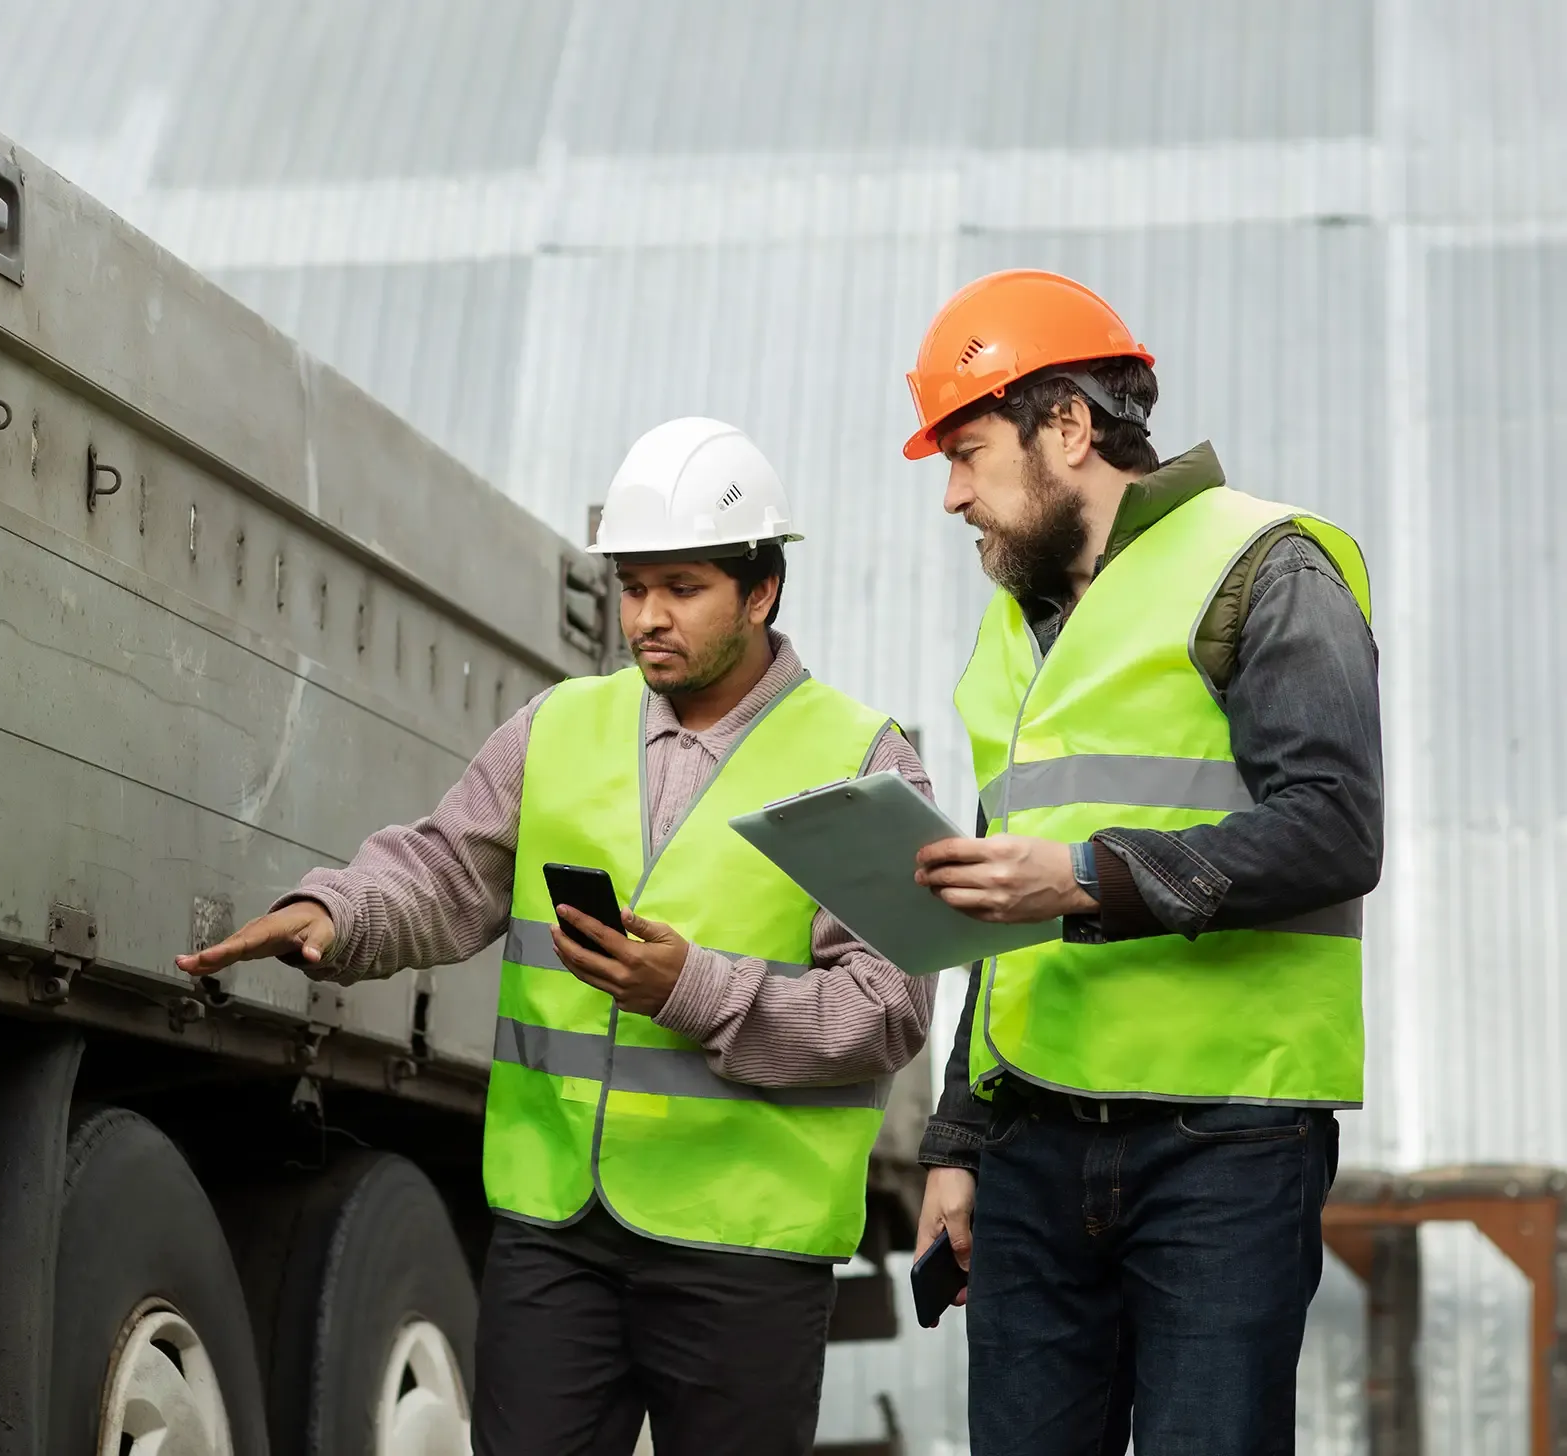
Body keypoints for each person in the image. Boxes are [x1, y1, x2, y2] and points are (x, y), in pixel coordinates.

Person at [179, 417, 937, 1456]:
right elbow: (444, 872)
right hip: (555, 1234)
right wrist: (338, 913)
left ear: (760, 592)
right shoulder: (558, 727)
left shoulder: (860, 758)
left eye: (681, 587)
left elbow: (889, 1008)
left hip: (742, 1251)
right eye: (632, 588)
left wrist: (693, 989)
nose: (646, 618)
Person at [900, 270, 1383, 1455]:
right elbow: (998, 924)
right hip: (1030, 1148)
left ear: (1066, 424)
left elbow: (1333, 826)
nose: (953, 495)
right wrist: (959, 1143)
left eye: (967, 453)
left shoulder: (1267, 567)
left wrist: (1082, 876)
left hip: (1222, 1146)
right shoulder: (1014, 634)